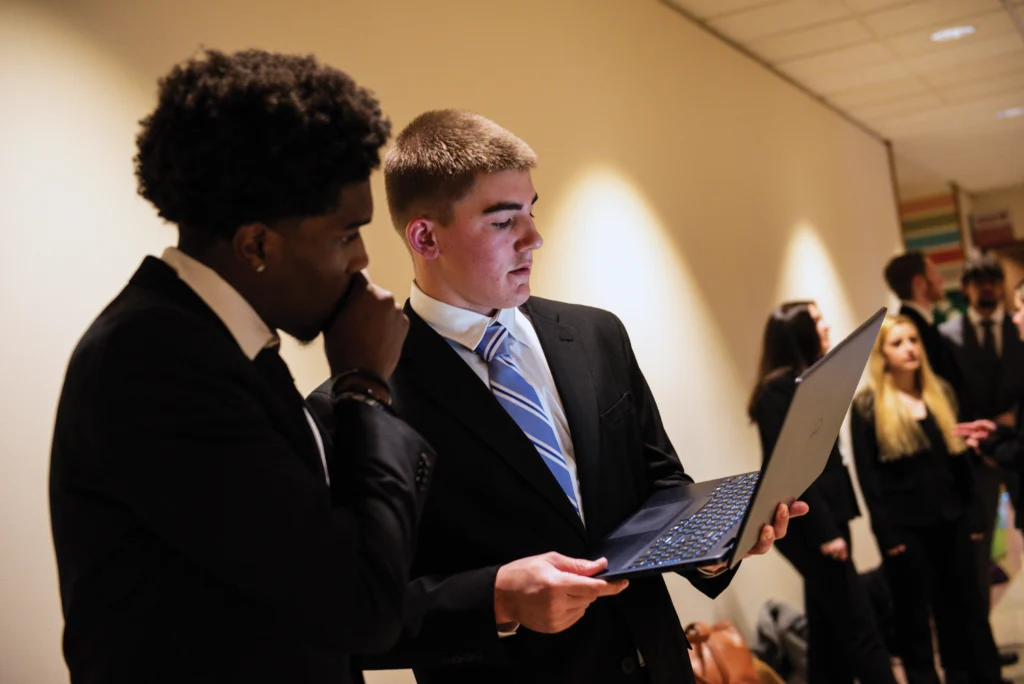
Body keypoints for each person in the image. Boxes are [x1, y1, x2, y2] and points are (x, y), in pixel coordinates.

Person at [309, 109, 806, 684]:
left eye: (532, 211)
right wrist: (496, 600)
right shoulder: (362, 400)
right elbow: (353, 613)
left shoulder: (597, 335)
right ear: (425, 236)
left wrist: (715, 543)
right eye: (502, 222)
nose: (534, 238)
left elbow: (660, 483)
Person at [49, 49, 433, 684]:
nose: (364, 259)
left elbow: (299, 578)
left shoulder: (217, 345)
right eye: (347, 234)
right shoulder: (156, 359)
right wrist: (364, 386)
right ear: (256, 244)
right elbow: (355, 605)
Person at [748, 301, 897, 684]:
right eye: (816, 319)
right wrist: (826, 532)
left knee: (829, 637)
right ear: (797, 333)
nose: (826, 324)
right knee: (861, 629)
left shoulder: (804, 381)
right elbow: (793, 469)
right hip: (807, 525)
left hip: (825, 517)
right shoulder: (776, 392)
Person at [851, 315, 1001, 684]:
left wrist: (977, 516)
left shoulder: (940, 393)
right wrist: (886, 535)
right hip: (906, 531)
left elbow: (962, 463)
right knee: (913, 619)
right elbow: (870, 480)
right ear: (882, 354)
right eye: (898, 343)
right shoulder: (868, 407)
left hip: (953, 520)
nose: (909, 349)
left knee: (966, 612)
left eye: (913, 340)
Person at [939, 256, 1024, 614]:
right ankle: (981, 645)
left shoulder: (1014, 327)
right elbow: (947, 391)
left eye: (993, 279)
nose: (987, 287)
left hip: (1017, 446)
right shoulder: (947, 335)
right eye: (979, 281)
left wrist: (1012, 420)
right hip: (975, 452)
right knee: (980, 546)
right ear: (966, 288)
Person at [883, 252, 960, 391]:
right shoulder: (913, 328)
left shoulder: (922, 323)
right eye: (934, 273)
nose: (940, 280)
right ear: (919, 283)